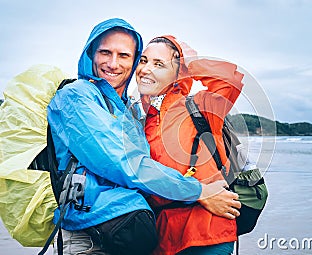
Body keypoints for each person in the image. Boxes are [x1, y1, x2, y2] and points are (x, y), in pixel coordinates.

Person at [47, 18, 240, 255]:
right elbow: (125, 164)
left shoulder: (185, 108)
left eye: (125, 56)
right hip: (109, 232)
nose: (113, 63)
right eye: (105, 52)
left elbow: (230, 82)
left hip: (197, 232)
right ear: (91, 54)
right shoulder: (83, 98)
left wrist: (188, 63)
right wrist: (198, 191)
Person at [136, 36, 244, 254]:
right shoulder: (136, 120)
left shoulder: (202, 106)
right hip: (161, 237)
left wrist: (189, 62)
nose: (147, 69)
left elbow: (229, 80)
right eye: (143, 60)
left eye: (159, 64)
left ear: (178, 71)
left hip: (208, 234)